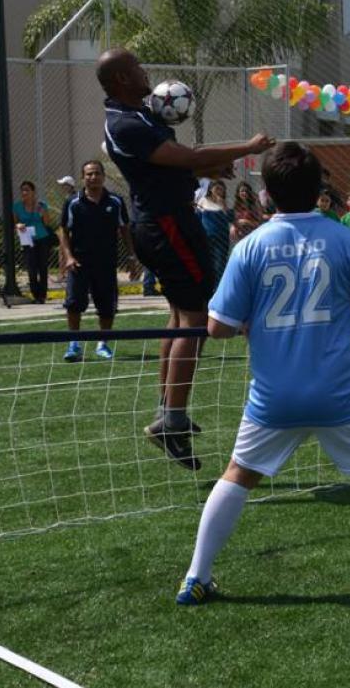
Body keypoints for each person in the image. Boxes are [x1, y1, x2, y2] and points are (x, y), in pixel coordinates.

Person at [175, 141, 350, 620]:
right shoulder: (344, 240)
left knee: (238, 475)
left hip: (274, 397)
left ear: (267, 193)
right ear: (320, 191)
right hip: (343, 394)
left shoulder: (250, 246)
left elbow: (216, 328)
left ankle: (196, 578)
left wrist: (251, 318)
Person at [98, 47, 274, 469]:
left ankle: (168, 411)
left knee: (180, 316)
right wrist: (246, 147)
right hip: (166, 225)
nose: (146, 73)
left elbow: (170, 167)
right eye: (138, 68)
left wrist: (203, 171)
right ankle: (172, 419)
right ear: (122, 78)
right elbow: (188, 157)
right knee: (196, 319)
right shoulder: (127, 122)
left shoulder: (136, 118)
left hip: (162, 222)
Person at [57, 159, 135, 362]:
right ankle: (74, 344)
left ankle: (103, 344)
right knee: (74, 303)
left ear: (103, 176)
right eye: (89, 174)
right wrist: (69, 257)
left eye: (97, 173)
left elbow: (125, 229)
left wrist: (131, 256)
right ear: (83, 178)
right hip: (79, 263)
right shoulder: (73, 202)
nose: (93, 177)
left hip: (106, 263)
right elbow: (64, 231)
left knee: (107, 306)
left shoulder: (115, 202)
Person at [13, 180, 56, 303]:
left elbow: (47, 223)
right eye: (22, 190)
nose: (24, 192)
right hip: (27, 239)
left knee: (42, 267)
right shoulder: (17, 206)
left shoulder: (41, 205)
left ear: (33, 192)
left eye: (27, 189)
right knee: (31, 268)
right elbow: (15, 223)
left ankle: (42, 295)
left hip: (42, 238)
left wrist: (43, 213)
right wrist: (19, 225)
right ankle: (35, 294)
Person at [196, 180, 235, 280]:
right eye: (216, 188)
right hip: (207, 236)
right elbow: (197, 218)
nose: (219, 191)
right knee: (207, 262)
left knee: (220, 263)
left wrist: (223, 206)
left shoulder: (225, 202)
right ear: (211, 190)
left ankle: (218, 286)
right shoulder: (203, 201)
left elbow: (230, 218)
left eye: (221, 189)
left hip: (221, 237)